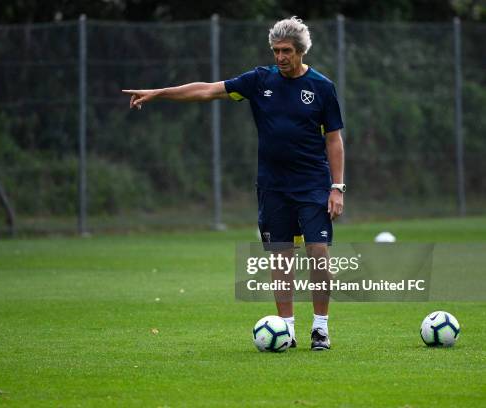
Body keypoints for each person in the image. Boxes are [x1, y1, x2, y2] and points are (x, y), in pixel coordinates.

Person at [122, 16, 345, 351]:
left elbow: (334, 140)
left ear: (301, 51)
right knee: (281, 259)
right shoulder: (259, 80)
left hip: (313, 184)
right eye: (275, 50)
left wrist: (337, 188)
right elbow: (208, 90)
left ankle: (321, 328)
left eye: (286, 51)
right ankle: (285, 329)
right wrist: (159, 93)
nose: (280, 57)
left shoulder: (322, 87)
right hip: (272, 186)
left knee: (318, 254)